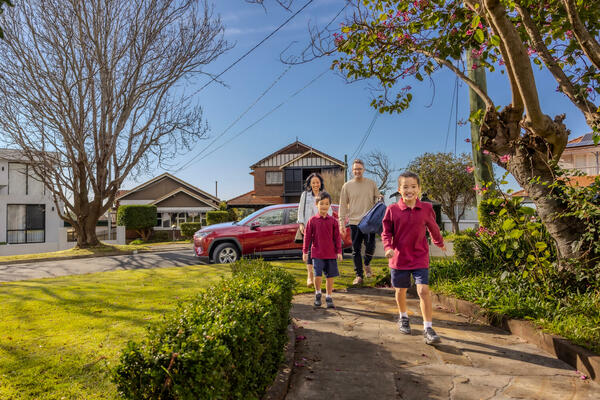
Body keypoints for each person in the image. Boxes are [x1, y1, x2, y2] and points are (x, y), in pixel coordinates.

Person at [382, 171, 447, 345]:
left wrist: (439, 242)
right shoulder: (392, 210)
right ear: (399, 190)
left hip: (420, 256)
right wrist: (388, 247)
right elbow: (386, 232)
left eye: (413, 187)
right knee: (400, 291)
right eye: (405, 187)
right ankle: (403, 317)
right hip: (399, 258)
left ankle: (428, 327)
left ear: (419, 189)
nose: (409, 190)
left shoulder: (426, 208)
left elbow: (433, 228)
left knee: (423, 291)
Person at [338, 159, 380, 285]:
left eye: (359, 169)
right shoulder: (347, 186)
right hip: (354, 222)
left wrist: (380, 198)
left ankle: (366, 263)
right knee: (355, 250)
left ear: (364, 170)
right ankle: (359, 276)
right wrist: (341, 223)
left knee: (371, 246)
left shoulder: (371, 184)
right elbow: (343, 205)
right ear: (352, 170)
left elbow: (378, 197)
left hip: (369, 222)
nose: (357, 171)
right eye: (355, 169)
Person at [303, 191, 343, 309]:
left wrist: (339, 252)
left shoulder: (333, 222)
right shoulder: (312, 221)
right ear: (316, 204)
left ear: (329, 205)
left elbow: (337, 238)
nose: (324, 206)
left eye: (326, 204)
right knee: (317, 275)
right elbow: (307, 237)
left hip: (330, 254)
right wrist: (305, 251)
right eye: (321, 204)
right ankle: (318, 293)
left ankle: (329, 296)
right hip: (317, 254)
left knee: (330, 277)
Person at [297, 172, 332, 288]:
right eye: (313, 182)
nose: (315, 184)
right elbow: (300, 210)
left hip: (321, 227)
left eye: (317, 182)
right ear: (310, 184)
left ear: (320, 183)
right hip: (309, 226)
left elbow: (329, 210)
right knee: (310, 251)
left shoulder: (324, 194)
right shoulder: (305, 195)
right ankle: (309, 276)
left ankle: (319, 274)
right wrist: (301, 224)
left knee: (320, 252)